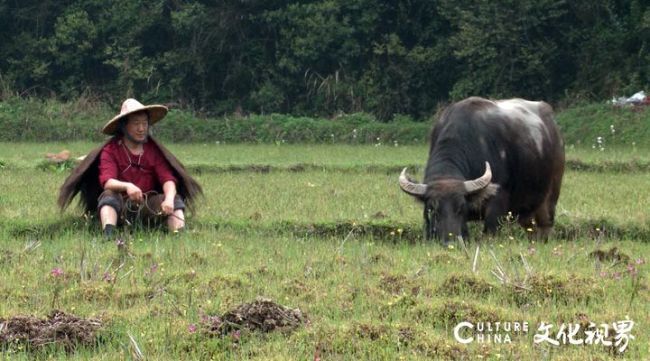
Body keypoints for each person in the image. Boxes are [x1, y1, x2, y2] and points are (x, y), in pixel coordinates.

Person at [58, 98, 202, 238]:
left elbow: (167, 179)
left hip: (148, 206)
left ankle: (179, 236)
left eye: (144, 123)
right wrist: (127, 186)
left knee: (175, 200)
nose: (141, 129)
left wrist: (169, 199)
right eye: (136, 123)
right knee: (108, 196)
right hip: (121, 206)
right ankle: (108, 235)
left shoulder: (153, 150)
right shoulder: (111, 150)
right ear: (124, 126)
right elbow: (108, 181)